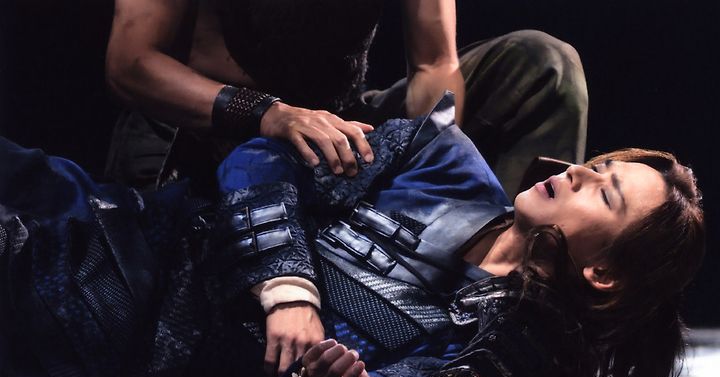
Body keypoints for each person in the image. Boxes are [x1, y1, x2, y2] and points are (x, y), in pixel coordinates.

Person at [0, 99, 703, 377]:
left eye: (604, 194)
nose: (578, 172)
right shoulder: (441, 156)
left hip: (110, 355)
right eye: (598, 165)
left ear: (603, 273)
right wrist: (289, 286)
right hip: (123, 225)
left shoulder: (509, 360)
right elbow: (263, 157)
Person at [104, 0, 588, 195]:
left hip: (339, 125)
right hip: (201, 133)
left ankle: (522, 288)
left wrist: (436, 163)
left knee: (543, 66)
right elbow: (132, 62)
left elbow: (433, 64)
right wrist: (270, 115)